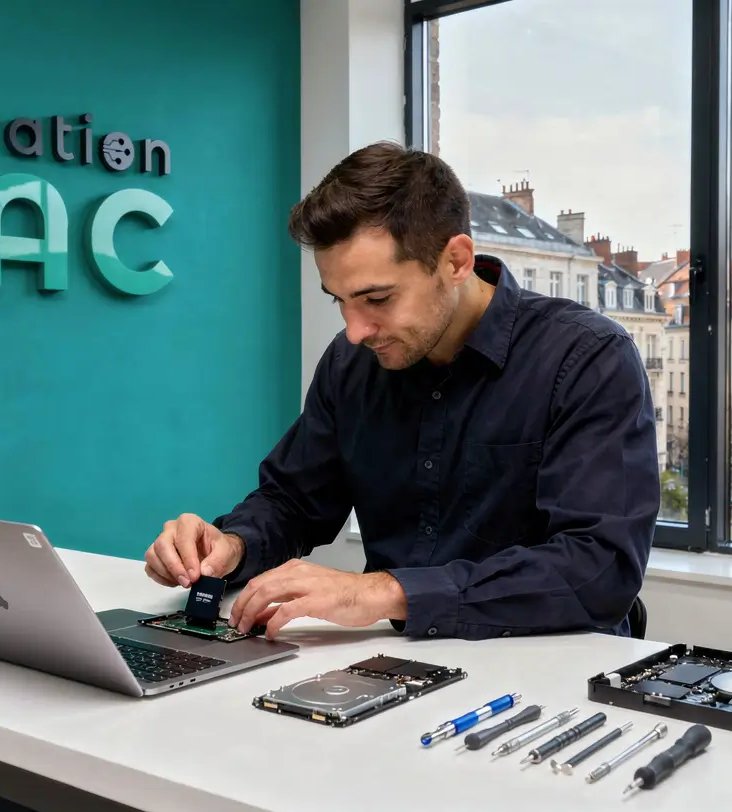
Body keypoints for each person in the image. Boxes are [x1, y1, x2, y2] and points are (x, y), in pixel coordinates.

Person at [143, 141, 660, 641]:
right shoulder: (352, 363)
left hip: (553, 675)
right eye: (339, 301)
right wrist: (231, 545)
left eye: (377, 298)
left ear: (456, 261)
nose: (355, 330)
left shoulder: (587, 356)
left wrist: (387, 592)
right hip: (396, 664)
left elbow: (599, 568)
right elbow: (294, 500)